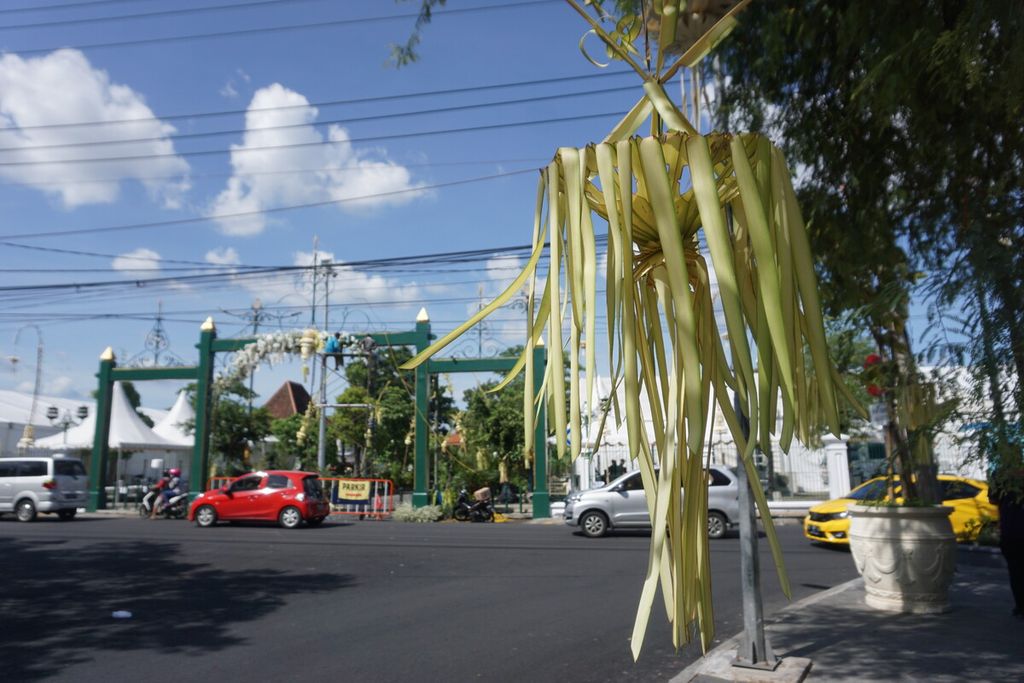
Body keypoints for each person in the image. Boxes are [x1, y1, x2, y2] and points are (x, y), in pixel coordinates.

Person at [990, 469, 1024, 618]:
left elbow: (993, 499)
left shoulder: (1000, 475)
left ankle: (1020, 605)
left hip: (1010, 531)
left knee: (1015, 571)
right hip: (1012, 530)